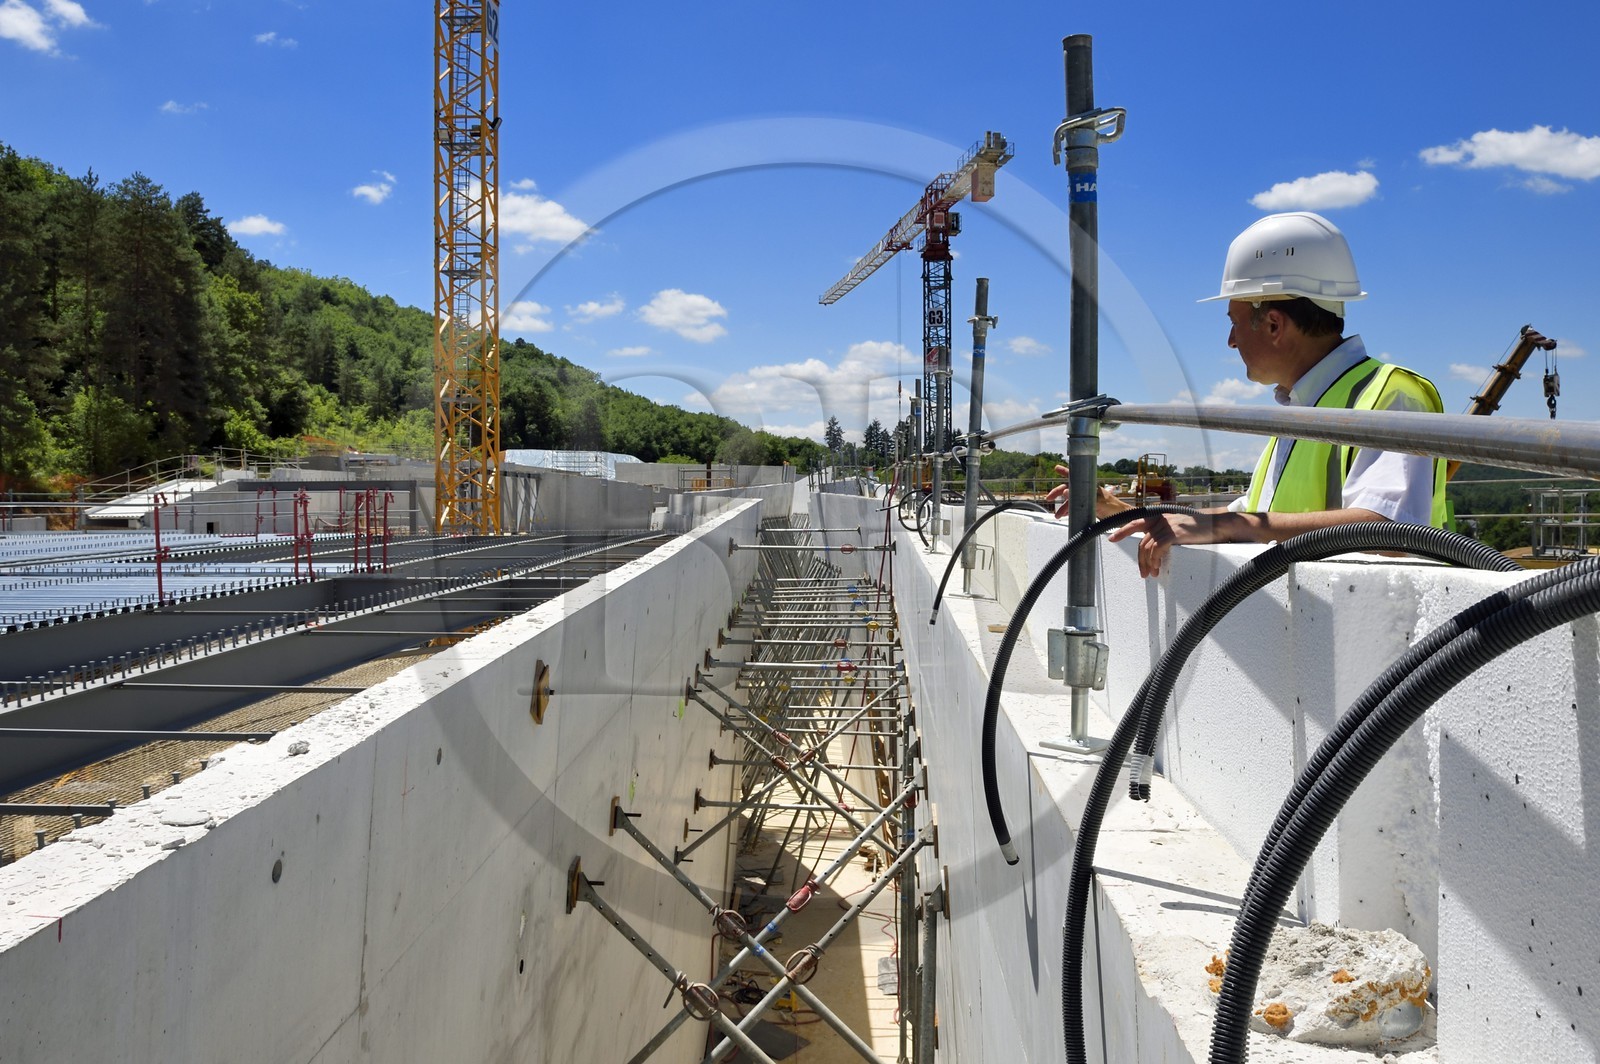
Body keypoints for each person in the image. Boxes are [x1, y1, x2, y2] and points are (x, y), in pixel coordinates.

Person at [1046, 211, 1446, 578]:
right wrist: (1118, 510)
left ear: (1273, 324)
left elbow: (1390, 531)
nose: (1231, 341)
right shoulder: (1301, 409)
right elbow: (1258, 516)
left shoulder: (1394, 396)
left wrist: (1226, 525)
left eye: (1234, 322)